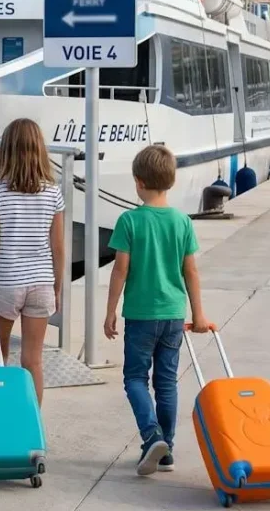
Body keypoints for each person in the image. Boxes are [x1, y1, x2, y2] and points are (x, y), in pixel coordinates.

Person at [104, 145, 210, 477]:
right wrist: (200, 315)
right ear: (171, 181)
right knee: (166, 383)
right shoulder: (182, 221)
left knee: (135, 378)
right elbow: (190, 271)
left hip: (140, 315)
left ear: (138, 182)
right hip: (174, 316)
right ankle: (167, 453)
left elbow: (120, 270)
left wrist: (111, 312)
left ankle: (151, 435)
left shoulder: (129, 221)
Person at [0, 118, 65, 406]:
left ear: (5, 150)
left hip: (6, 284)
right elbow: (58, 247)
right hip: (41, 284)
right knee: (33, 361)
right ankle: (31, 427)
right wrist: (57, 286)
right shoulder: (52, 192)